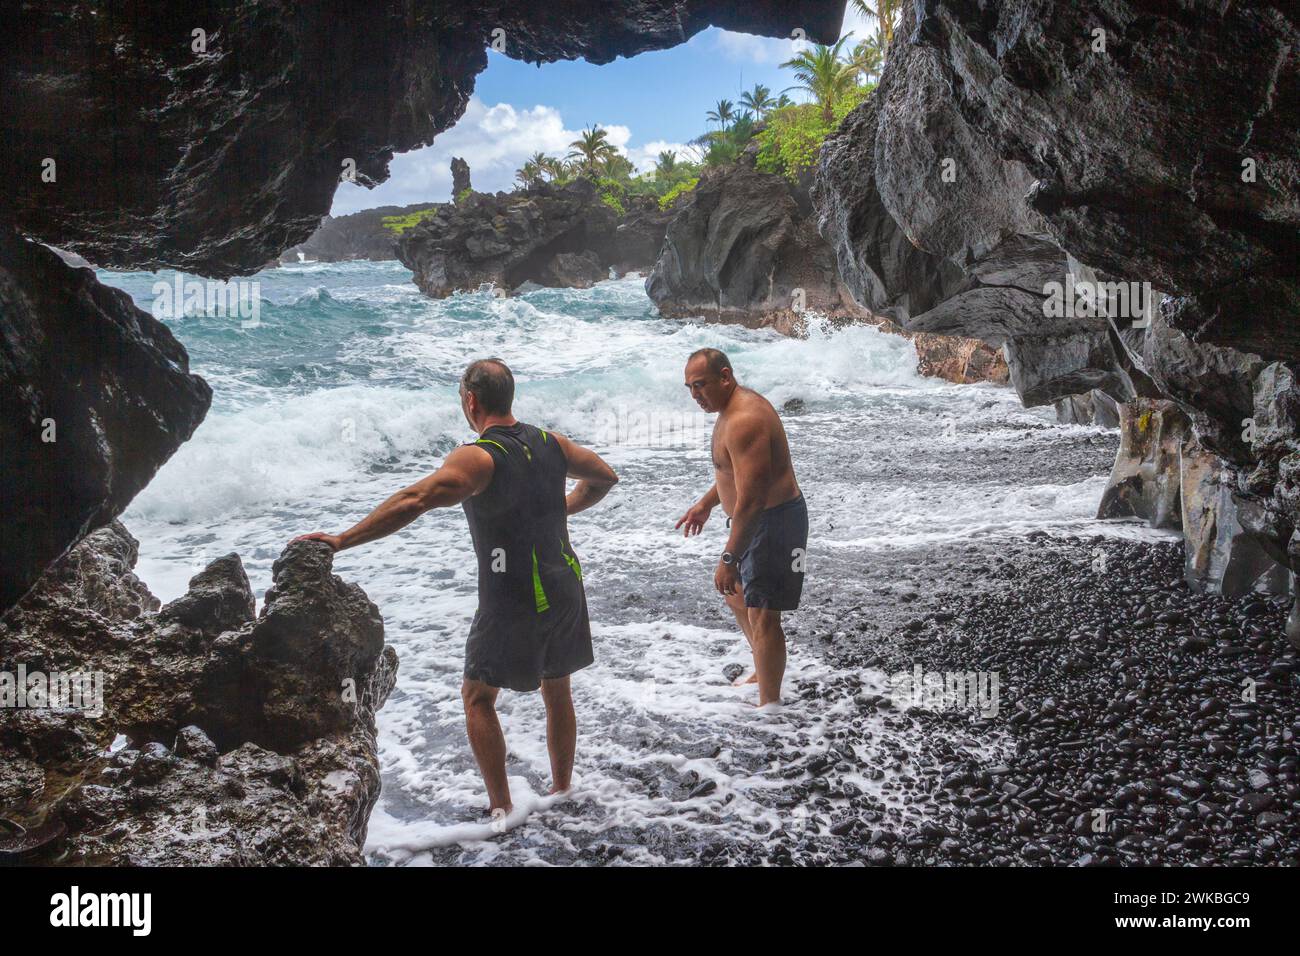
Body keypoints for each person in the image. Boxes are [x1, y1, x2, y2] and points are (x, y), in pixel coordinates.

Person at [295, 358, 618, 817]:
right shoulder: (551, 442)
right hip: (565, 581)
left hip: (515, 595)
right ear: (510, 397)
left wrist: (343, 539)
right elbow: (605, 477)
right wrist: (559, 510)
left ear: (471, 401)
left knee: (478, 697)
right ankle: (562, 788)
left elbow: (416, 498)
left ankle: (502, 809)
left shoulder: (478, 455)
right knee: (557, 687)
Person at [675, 348, 807, 706]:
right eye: (689, 387)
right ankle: (763, 671)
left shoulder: (745, 419)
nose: (695, 395)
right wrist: (705, 504)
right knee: (735, 593)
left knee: (763, 612)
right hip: (754, 520)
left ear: (725, 377)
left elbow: (752, 498)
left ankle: (771, 705)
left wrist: (729, 557)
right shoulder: (727, 413)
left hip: (774, 523)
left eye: (700, 385)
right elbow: (732, 475)